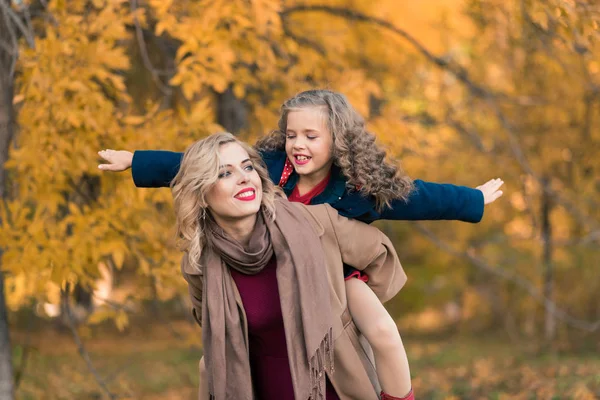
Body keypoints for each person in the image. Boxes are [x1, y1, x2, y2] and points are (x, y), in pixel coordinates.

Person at [99, 89, 504, 399]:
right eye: (292, 134)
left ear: (338, 140)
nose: (298, 144)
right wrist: (135, 160)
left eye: (311, 135)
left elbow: (419, 198)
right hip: (270, 265)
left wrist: (474, 198)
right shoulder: (269, 167)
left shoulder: (358, 188)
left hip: (333, 271)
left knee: (380, 329)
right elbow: (196, 167)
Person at [172, 132, 407, 399]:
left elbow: (380, 256)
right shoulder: (199, 265)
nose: (244, 177)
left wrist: (350, 297)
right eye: (224, 173)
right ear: (201, 195)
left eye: (247, 166)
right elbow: (215, 351)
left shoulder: (315, 224)